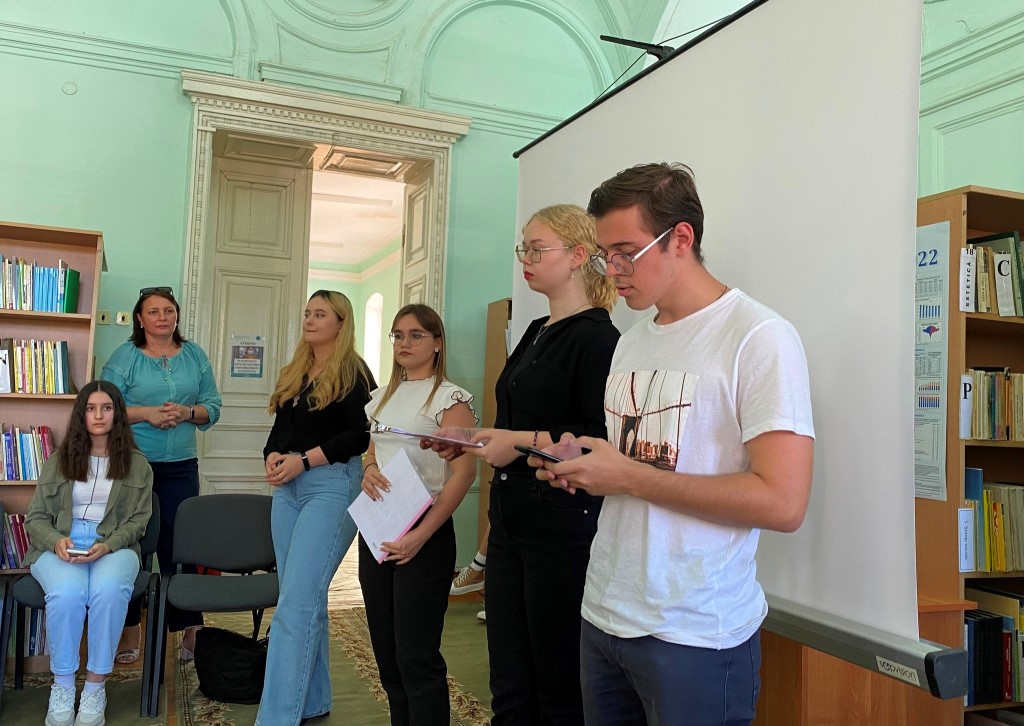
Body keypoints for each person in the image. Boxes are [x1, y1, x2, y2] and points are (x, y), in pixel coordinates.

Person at [531, 162, 815, 725]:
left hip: (695, 634)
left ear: (680, 238)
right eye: (604, 255)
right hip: (604, 612)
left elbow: (783, 503)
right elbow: (635, 465)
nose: (613, 272)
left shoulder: (759, 337)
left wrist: (628, 477)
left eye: (626, 253)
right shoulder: (632, 341)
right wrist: (586, 466)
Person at [430, 204, 620, 725]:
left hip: (561, 519)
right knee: (509, 677)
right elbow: (513, 423)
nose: (525, 260)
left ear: (578, 256)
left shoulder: (598, 338)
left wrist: (518, 443)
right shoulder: (536, 329)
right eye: (524, 249)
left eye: (537, 250)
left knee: (556, 680)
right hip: (512, 517)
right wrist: (469, 438)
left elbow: (598, 440)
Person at [255, 290, 374, 726]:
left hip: (332, 485)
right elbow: (280, 430)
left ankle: (276, 718)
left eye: (320, 314)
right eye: (307, 312)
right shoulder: (297, 371)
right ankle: (312, 701)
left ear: (341, 323)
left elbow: (360, 436)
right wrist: (272, 455)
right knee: (303, 598)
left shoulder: (354, 373)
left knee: (294, 605)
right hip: (288, 489)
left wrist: (304, 460)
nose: (310, 319)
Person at [358, 303, 478, 726]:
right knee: (387, 654)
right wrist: (368, 469)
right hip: (378, 530)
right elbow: (372, 450)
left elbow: (464, 473)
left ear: (437, 343)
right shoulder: (381, 397)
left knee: (416, 656)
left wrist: (421, 536)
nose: (404, 343)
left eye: (415, 335)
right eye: (398, 335)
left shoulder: (450, 398)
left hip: (425, 534)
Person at [101, 286, 221, 664]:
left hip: (182, 465)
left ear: (176, 315)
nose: (162, 317)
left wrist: (188, 413)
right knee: (132, 545)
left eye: (168, 310)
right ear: (140, 319)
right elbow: (103, 406)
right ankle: (130, 627)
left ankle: (190, 629)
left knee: (181, 545)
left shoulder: (194, 355)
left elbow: (213, 405)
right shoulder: (125, 357)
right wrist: (146, 414)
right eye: (153, 311)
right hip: (133, 466)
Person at [25, 380, 153, 726]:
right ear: (81, 415)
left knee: (108, 591)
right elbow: (35, 518)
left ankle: (95, 686)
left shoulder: (138, 465)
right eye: (91, 409)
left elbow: (139, 522)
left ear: (117, 414)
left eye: (106, 408)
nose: (98, 415)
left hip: (114, 544)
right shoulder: (59, 460)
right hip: (60, 543)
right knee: (67, 593)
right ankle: (63, 686)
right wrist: (55, 541)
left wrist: (108, 545)